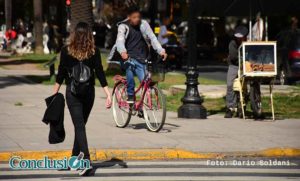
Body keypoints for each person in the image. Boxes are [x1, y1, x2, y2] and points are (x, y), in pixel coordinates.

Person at [53, 22, 112, 176]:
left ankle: (84, 161)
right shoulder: (94, 51)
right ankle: (75, 160)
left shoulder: (66, 51)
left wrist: (54, 94)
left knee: (80, 127)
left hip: (72, 93)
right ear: (88, 34)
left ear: (74, 34)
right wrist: (108, 93)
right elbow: (99, 73)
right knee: (80, 127)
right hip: (88, 94)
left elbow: (60, 74)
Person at [114, 6, 167, 103]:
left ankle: (141, 107)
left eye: (138, 17)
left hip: (142, 57)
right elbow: (120, 40)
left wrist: (161, 50)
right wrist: (122, 52)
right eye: (134, 17)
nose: (137, 19)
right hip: (128, 58)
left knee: (146, 82)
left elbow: (152, 38)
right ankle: (130, 95)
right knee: (129, 68)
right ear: (129, 17)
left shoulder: (144, 24)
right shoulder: (123, 26)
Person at [225, 26, 248, 118]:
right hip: (234, 65)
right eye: (237, 37)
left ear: (245, 36)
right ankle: (230, 107)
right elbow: (234, 57)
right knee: (230, 84)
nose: (239, 38)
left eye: (241, 37)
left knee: (247, 85)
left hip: (247, 65)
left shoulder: (249, 42)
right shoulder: (232, 43)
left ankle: (244, 105)